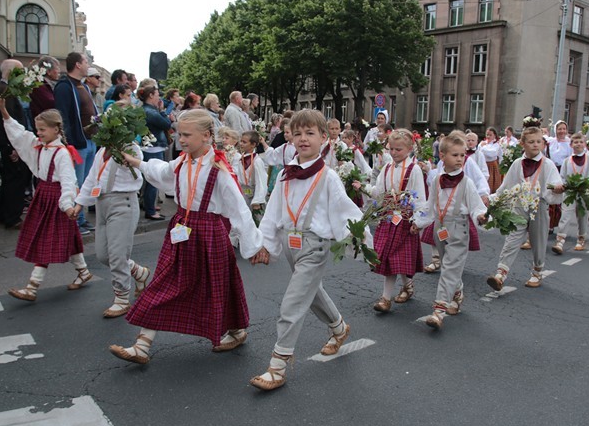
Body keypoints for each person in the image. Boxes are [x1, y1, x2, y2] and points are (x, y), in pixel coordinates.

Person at [109, 109, 265, 364]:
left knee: (218, 286)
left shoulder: (219, 169)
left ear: (206, 136)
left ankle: (236, 330)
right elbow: (161, 172)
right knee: (163, 282)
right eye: (179, 134)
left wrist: (253, 246)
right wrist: (137, 162)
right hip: (181, 229)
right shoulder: (182, 161)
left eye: (186, 135)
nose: (181, 139)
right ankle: (142, 345)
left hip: (209, 233)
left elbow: (238, 209)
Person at [249, 109, 368, 391]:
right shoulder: (285, 175)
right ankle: (339, 328)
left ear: (324, 138)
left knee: (292, 302)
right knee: (311, 292)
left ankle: (278, 365)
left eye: (310, 133)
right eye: (298, 133)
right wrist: (265, 244)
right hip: (292, 245)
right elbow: (273, 211)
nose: (303, 139)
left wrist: (363, 243)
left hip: (315, 245)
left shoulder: (328, 177)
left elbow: (344, 212)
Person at [0, 97, 92, 301]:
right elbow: (19, 134)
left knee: (44, 240)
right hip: (43, 196)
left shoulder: (62, 154)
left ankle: (32, 286)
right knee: (68, 236)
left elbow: (68, 181)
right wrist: (4, 111)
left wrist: (67, 205)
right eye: (38, 129)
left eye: (42, 130)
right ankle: (83, 271)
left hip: (55, 199)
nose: (38, 133)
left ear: (56, 129)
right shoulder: (39, 145)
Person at [71, 102, 150, 318]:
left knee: (117, 254)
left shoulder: (131, 148)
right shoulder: (102, 152)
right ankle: (138, 272)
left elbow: (137, 165)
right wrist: (79, 204)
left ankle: (121, 297)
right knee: (103, 255)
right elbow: (91, 179)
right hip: (102, 203)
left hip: (122, 203)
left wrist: (122, 154)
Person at [414, 131, 487, 329]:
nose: (460, 159)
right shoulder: (437, 180)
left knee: (448, 269)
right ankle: (457, 292)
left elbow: (476, 205)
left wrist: (481, 215)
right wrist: (418, 223)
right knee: (449, 266)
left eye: (462, 155)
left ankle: (439, 310)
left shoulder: (467, 182)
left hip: (458, 228)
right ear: (443, 156)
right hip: (440, 227)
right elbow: (430, 207)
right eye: (455, 155)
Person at [357, 129, 426, 312]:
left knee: (394, 258)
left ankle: (386, 298)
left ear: (410, 148)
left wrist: (418, 222)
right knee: (392, 259)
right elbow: (379, 192)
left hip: (405, 220)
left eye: (398, 150)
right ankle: (405, 287)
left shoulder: (414, 169)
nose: (394, 153)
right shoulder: (386, 168)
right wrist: (363, 188)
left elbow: (420, 199)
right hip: (388, 218)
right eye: (391, 149)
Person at [487, 126, 564, 291]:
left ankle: (537, 270)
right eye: (531, 142)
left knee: (538, 239)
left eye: (538, 141)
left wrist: (557, 188)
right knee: (512, 237)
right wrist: (492, 200)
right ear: (523, 144)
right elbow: (506, 186)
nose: (535, 145)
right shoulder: (517, 163)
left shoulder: (548, 164)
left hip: (538, 204)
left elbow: (555, 182)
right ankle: (501, 274)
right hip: (520, 204)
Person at [53, 52, 98, 235]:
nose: (88, 65)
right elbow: (63, 116)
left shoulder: (83, 86)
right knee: (77, 182)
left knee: (86, 181)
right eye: (86, 61)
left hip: (89, 141)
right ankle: (75, 221)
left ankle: (81, 218)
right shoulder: (64, 87)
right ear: (78, 65)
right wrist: (68, 141)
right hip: (78, 143)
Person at [0, 59, 32, 230]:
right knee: (16, 180)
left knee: (9, 180)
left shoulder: (6, 90)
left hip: (11, 143)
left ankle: (2, 214)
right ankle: (12, 217)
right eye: (20, 71)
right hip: (11, 144)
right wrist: (10, 147)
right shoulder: (5, 91)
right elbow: (4, 121)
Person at [138, 84, 172, 221]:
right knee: (153, 179)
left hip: (152, 146)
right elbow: (166, 124)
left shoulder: (147, 110)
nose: (160, 97)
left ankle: (149, 205)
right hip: (153, 148)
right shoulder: (150, 111)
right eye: (158, 94)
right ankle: (150, 210)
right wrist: (163, 111)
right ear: (151, 95)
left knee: (150, 179)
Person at [29, 55, 60, 122]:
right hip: (44, 123)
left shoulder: (46, 83)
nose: (59, 72)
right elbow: (51, 103)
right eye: (57, 69)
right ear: (48, 72)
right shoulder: (39, 85)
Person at [479, 127, 502, 192]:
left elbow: (492, 153)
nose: (488, 136)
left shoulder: (496, 144)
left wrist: (483, 148)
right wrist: (482, 147)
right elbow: (479, 152)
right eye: (487, 134)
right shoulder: (482, 143)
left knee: (492, 183)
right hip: (483, 164)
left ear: (494, 135)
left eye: (490, 135)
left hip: (491, 166)